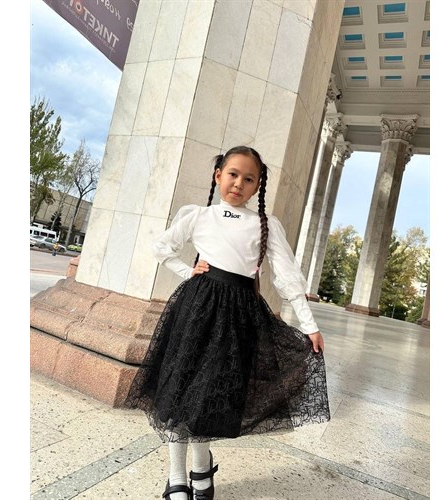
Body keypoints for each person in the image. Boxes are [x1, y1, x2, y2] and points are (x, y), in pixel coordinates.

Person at [125, 146, 330, 500]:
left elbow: (287, 277)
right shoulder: (199, 216)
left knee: (209, 394)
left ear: (257, 186)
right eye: (233, 174)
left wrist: (309, 325)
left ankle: (201, 466)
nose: (238, 183)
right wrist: (188, 271)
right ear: (218, 175)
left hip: (237, 319)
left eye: (248, 179)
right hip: (196, 309)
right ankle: (177, 477)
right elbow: (162, 247)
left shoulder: (265, 226)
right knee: (180, 389)